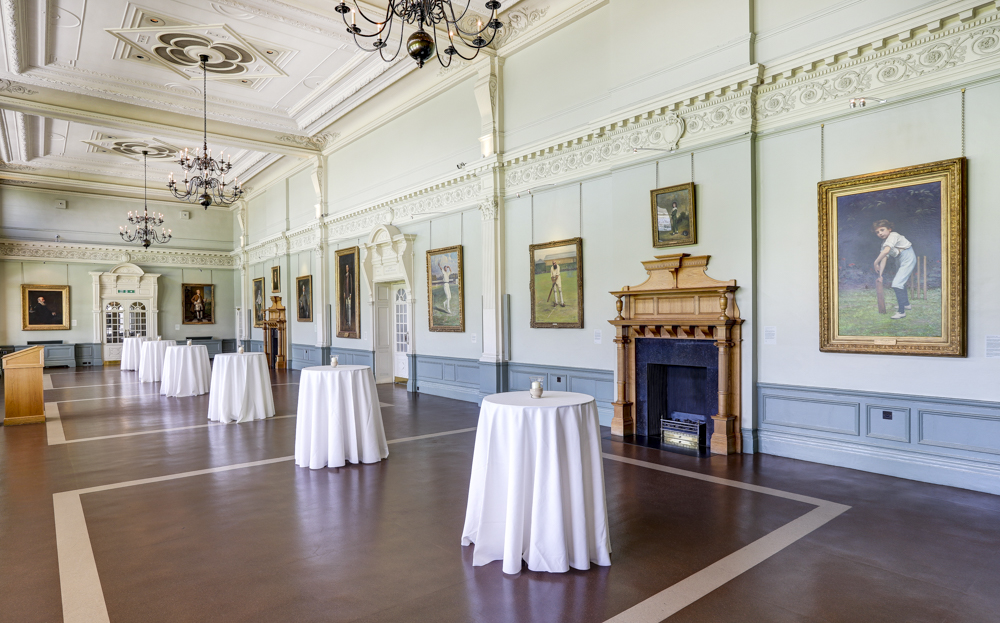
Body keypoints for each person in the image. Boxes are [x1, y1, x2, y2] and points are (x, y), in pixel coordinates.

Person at [872, 219, 916, 320]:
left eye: (882, 230)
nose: (880, 233)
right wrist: (880, 275)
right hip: (900, 259)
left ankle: (901, 312)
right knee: (900, 282)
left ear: (889, 229)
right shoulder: (884, 243)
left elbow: (886, 251)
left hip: (908, 256)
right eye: (877, 232)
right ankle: (906, 305)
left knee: (897, 283)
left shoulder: (893, 235)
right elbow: (884, 258)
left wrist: (875, 262)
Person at [342, 263, 353, 330]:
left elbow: (351, 285)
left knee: (349, 308)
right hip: (345, 294)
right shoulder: (344, 276)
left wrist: (350, 294)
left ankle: (349, 322)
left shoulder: (350, 276)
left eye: (347, 267)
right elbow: (344, 285)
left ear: (349, 268)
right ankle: (347, 321)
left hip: (349, 295)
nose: (347, 269)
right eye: (346, 267)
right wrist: (344, 293)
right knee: (346, 308)